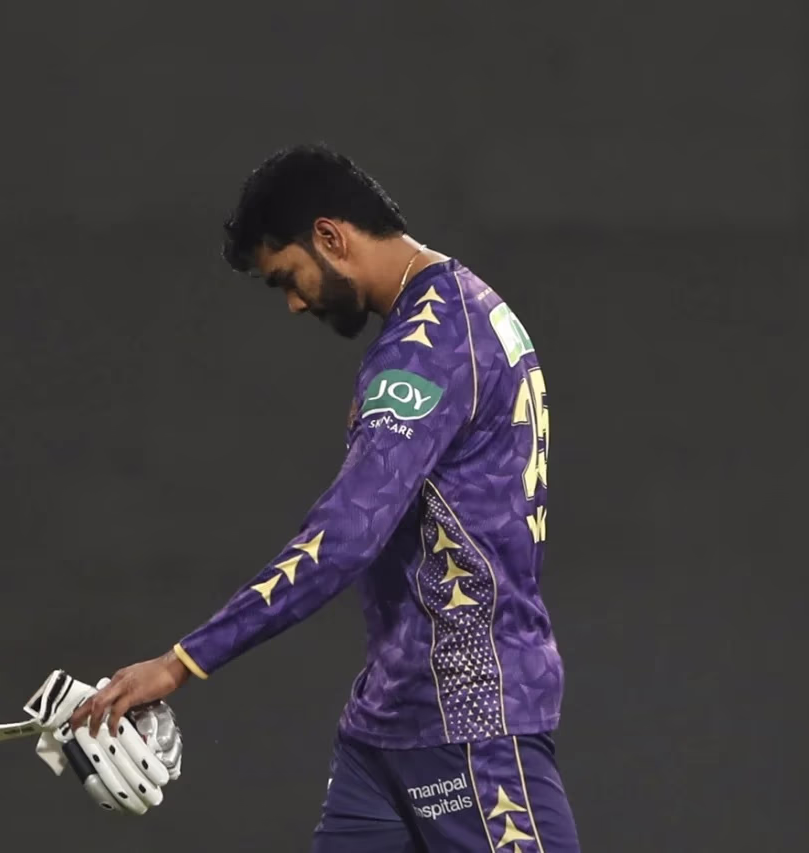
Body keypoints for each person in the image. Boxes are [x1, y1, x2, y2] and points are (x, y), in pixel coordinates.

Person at [69, 144, 580, 852]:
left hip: (467, 723)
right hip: (386, 730)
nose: (294, 302)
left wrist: (182, 661)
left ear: (331, 236)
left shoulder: (427, 345)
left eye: (289, 276)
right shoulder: (465, 312)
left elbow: (348, 533)